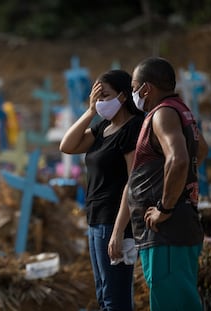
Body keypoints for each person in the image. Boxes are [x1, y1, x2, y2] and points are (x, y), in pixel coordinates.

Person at [108, 57, 209, 311]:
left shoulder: (163, 113)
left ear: (146, 89)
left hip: (167, 233)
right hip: (176, 229)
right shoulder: (180, 110)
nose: (133, 94)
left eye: (134, 87)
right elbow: (201, 150)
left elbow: (179, 159)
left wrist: (165, 206)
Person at [59, 69, 144, 311]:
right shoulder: (102, 128)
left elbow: (132, 181)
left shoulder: (132, 127)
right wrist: (89, 111)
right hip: (96, 220)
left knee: (115, 299)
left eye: (105, 95)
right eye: (97, 96)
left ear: (123, 96)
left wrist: (119, 232)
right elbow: (67, 145)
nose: (101, 102)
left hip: (114, 222)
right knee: (103, 296)